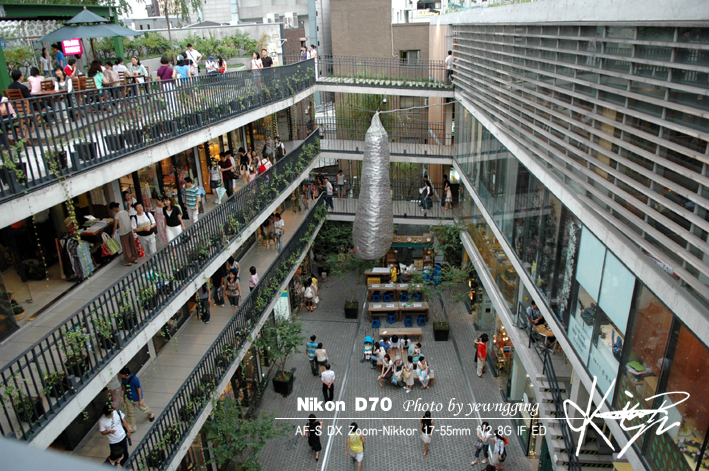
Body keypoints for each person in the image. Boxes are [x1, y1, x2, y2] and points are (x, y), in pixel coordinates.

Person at [118, 367, 155, 433]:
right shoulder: (123, 379)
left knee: (143, 408)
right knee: (130, 413)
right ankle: (131, 427)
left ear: (124, 374)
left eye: (120, 374)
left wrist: (140, 400)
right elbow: (124, 387)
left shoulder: (135, 379)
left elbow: (138, 389)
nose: (119, 374)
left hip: (136, 398)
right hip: (129, 398)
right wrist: (124, 396)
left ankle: (151, 413)